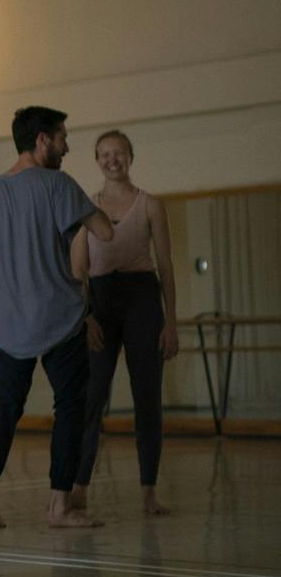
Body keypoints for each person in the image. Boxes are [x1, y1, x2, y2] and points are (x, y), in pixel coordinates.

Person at [0, 107, 115, 529]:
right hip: (61, 320)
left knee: (5, 409)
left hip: (11, 324)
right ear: (43, 140)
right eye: (63, 138)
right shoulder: (58, 184)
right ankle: (59, 507)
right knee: (70, 408)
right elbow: (105, 231)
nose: (67, 146)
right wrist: (84, 212)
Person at [70, 129, 178, 515]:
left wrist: (171, 323)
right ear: (97, 160)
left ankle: (149, 488)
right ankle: (79, 485)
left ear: (130, 156)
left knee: (147, 397)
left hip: (142, 299)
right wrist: (86, 318)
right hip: (100, 302)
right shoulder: (86, 206)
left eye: (119, 153)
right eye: (105, 154)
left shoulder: (150, 205)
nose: (112, 159)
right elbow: (78, 269)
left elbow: (165, 265)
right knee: (92, 397)